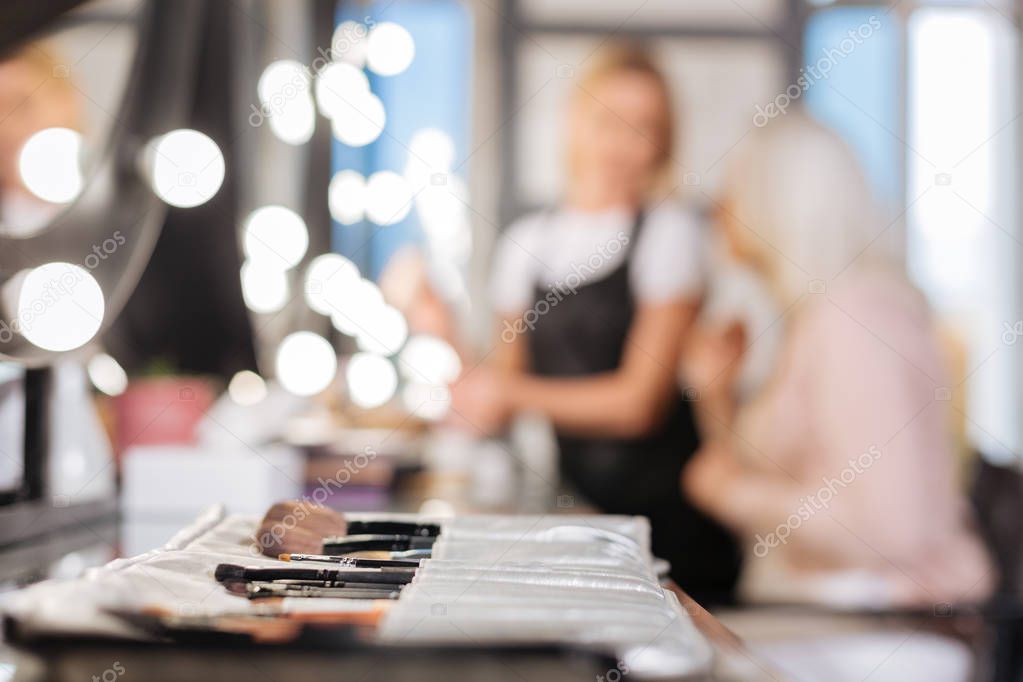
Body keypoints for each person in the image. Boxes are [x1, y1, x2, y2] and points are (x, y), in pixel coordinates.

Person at [450, 44, 741, 603]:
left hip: (671, 527)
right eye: (607, 120)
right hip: (580, 517)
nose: (621, 143)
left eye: (643, 127)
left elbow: (637, 405)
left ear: (663, 142)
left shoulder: (671, 234)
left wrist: (505, 392)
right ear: (573, 122)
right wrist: (434, 321)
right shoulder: (525, 243)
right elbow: (491, 402)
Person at [682, 111, 994, 607]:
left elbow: (892, 529)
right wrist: (715, 397)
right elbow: (775, 471)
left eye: (737, 191)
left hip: (888, 620)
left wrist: (734, 495)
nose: (721, 210)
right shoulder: (814, 317)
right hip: (831, 612)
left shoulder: (855, 317)